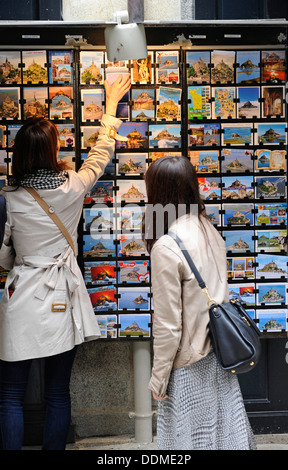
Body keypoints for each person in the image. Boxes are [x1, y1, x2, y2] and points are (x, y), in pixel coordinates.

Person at [0, 75, 131, 450]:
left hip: (21, 291)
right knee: (58, 391)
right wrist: (109, 106)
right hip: (61, 292)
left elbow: (3, 254)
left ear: (19, 154)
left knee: (10, 393)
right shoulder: (72, 185)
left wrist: (19, 260)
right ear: (53, 150)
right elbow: (100, 154)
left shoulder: (9, 199)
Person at [144, 155, 256, 450]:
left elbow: (168, 324)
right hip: (219, 353)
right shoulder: (208, 229)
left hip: (189, 361)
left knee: (189, 440)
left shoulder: (166, 246)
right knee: (222, 435)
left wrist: (158, 379)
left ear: (159, 193)